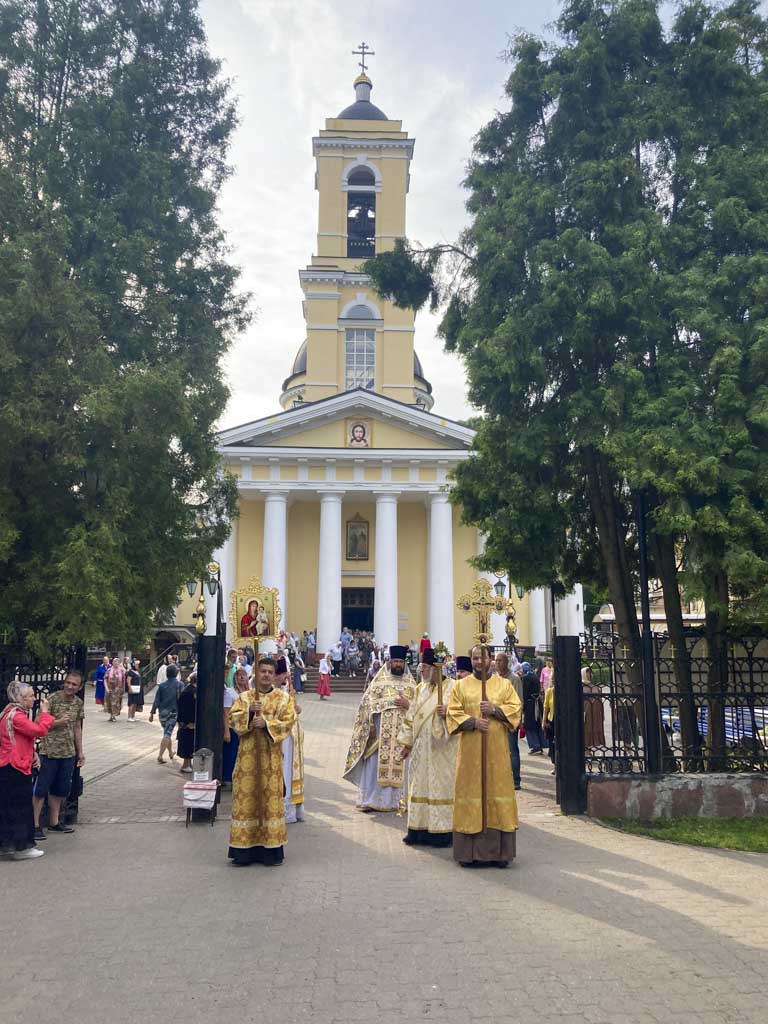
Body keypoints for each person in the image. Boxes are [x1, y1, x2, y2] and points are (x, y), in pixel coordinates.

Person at [447, 646, 522, 867]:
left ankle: (500, 854)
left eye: (483, 657)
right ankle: (467, 854)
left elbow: (515, 709)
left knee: (497, 793)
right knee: (470, 792)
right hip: (470, 753)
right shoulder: (461, 686)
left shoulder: (504, 684)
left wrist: (495, 710)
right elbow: (453, 711)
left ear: (491, 659)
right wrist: (472, 722)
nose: (479, 661)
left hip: (497, 752)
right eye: (475, 658)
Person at [228, 657, 296, 866]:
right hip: (247, 758)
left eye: (269, 672)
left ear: (274, 675)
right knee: (246, 801)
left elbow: (288, 721)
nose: (266, 675)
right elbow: (232, 719)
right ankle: (244, 852)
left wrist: (266, 723)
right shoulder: (245, 698)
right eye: (262, 671)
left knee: (270, 802)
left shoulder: (283, 698)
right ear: (256, 673)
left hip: (271, 759)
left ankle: (270, 852)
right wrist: (249, 715)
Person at [343, 645, 416, 812]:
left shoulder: (412, 685)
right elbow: (366, 705)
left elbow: (419, 709)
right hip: (380, 736)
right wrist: (371, 726)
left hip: (402, 737)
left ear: (404, 663)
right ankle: (370, 800)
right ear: (390, 662)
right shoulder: (379, 681)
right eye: (395, 661)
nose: (398, 664)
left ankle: (398, 802)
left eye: (400, 661)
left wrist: (408, 705)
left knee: (401, 767)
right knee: (374, 766)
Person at [397, 649, 457, 846]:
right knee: (419, 784)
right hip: (421, 748)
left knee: (440, 786)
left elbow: (460, 713)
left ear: (436, 669)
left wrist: (447, 712)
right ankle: (417, 829)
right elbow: (411, 715)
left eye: (425, 668)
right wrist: (406, 743)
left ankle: (441, 833)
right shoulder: (420, 688)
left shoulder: (452, 688)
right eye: (421, 667)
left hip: (442, 748)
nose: (421, 671)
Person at [1, 683, 55, 859]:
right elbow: (38, 731)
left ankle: (8, 844)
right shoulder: (16, 716)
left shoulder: (10, 712)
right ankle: (22, 847)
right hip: (14, 766)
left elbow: (22, 738)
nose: (34, 698)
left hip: (11, 764)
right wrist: (45, 713)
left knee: (9, 807)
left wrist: (33, 754)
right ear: (21, 699)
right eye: (31, 696)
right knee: (21, 807)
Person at [33, 671, 85, 840]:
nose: (70, 686)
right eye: (68, 682)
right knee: (41, 788)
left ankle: (55, 821)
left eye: (74, 684)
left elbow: (77, 727)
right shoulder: (53, 699)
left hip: (67, 752)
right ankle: (35, 825)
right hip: (49, 751)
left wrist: (80, 751)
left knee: (60, 789)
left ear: (80, 687)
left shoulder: (78, 703)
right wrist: (57, 722)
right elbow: (37, 722)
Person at [275, 657, 305, 824]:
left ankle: (293, 809)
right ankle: (283, 809)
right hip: (281, 739)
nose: (287, 680)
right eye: (284, 676)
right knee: (284, 772)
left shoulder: (286, 692)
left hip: (292, 738)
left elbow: (293, 710)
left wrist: (296, 708)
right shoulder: (272, 693)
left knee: (290, 772)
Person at [496, 652, 522, 790]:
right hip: (497, 719)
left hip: (510, 719)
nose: (498, 663)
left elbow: (518, 701)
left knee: (512, 750)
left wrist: (515, 721)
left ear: (507, 662)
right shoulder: (495, 679)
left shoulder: (514, 679)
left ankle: (516, 780)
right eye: (496, 660)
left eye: (500, 661)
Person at [223, 667, 251, 788]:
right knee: (231, 754)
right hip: (232, 728)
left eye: (243, 675)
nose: (241, 677)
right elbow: (225, 712)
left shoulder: (250, 693)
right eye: (238, 675)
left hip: (246, 729)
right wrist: (226, 731)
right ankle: (228, 779)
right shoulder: (230, 692)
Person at [149, 663, 183, 764]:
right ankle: (160, 755)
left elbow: (156, 700)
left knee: (166, 732)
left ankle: (171, 753)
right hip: (173, 712)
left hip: (162, 713)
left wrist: (152, 713)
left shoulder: (162, 685)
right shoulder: (179, 684)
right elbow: (182, 700)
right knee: (167, 734)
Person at [522, 661, 547, 754]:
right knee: (537, 724)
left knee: (529, 725)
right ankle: (541, 744)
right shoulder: (535, 676)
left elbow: (525, 693)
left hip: (530, 704)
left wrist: (523, 706)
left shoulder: (526, 678)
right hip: (537, 703)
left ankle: (535, 745)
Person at [176, 672, 197, 773]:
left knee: (187, 743)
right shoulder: (191, 692)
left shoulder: (187, 690)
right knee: (188, 744)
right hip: (188, 723)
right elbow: (189, 709)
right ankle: (186, 765)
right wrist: (190, 721)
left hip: (185, 722)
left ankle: (188, 764)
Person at [582, 666, 606, 747]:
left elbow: (600, 701)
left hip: (595, 713)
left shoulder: (595, 687)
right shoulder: (580, 687)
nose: (590, 674)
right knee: (586, 730)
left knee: (595, 729)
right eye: (587, 672)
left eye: (590, 673)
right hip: (586, 712)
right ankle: (586, 749)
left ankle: (593, 748)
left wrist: (602, 714)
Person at [542, 674, 556, 774]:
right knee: (553, 744)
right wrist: (544, 721)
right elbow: (546, 707)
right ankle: (556, 766)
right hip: (552, 720)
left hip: (564, 720)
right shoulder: (550, 691)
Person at [105, 657, 125, 722]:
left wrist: (123, 689)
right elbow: (105, 679)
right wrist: (106, 688)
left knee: (115, 703)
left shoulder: (121, 671)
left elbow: (123, 681)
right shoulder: (109, 670)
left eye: (117, 662)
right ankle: (111, 715)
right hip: (110, 689)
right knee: (110, 703)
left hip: (118, 690)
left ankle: (113, 715)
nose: (116, 663)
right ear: (112, 663)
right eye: (115, 662)